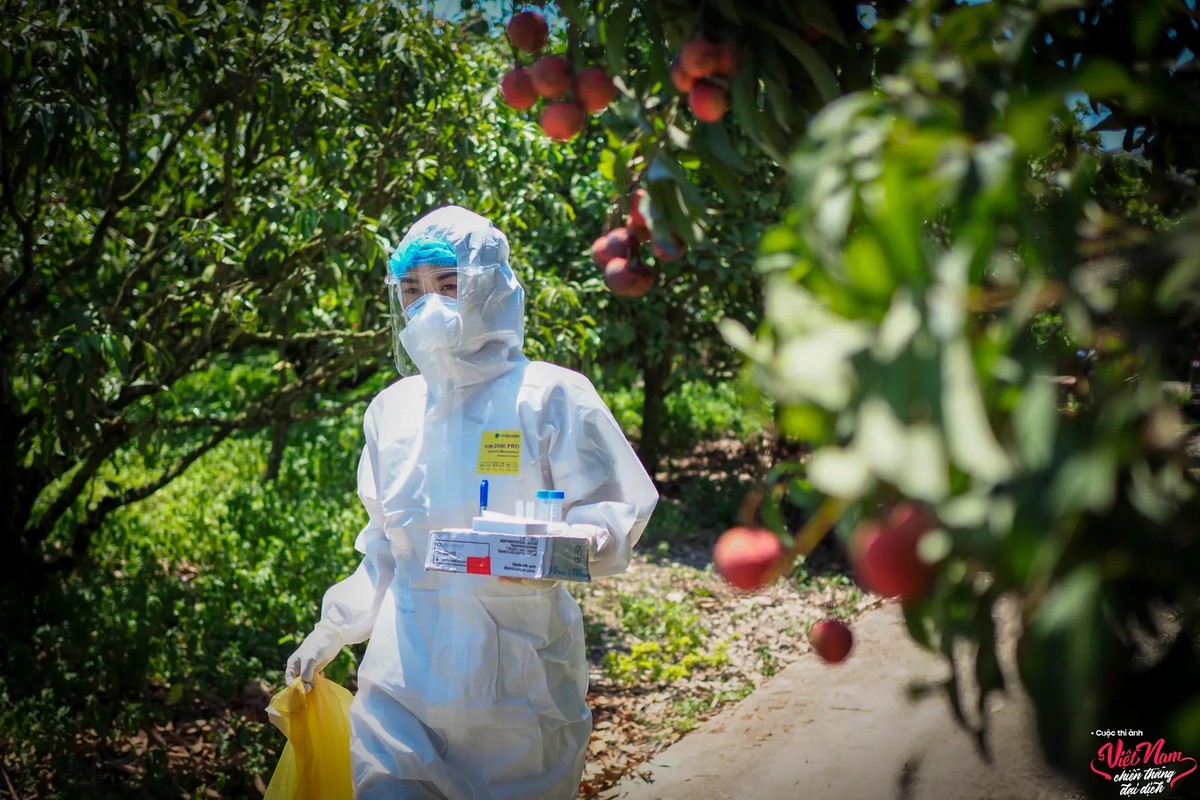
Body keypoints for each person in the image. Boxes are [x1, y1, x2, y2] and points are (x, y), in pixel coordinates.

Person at [284, 205, 658, 799]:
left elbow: (614, 517)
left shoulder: (551, 396)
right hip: (403, 688)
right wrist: (334, 628)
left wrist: (561, 548)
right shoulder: (393, 410)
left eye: (449, 285)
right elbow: (386, 546)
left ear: (489, 286)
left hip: (519, 694)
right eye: (411, 289)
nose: (428, 304)